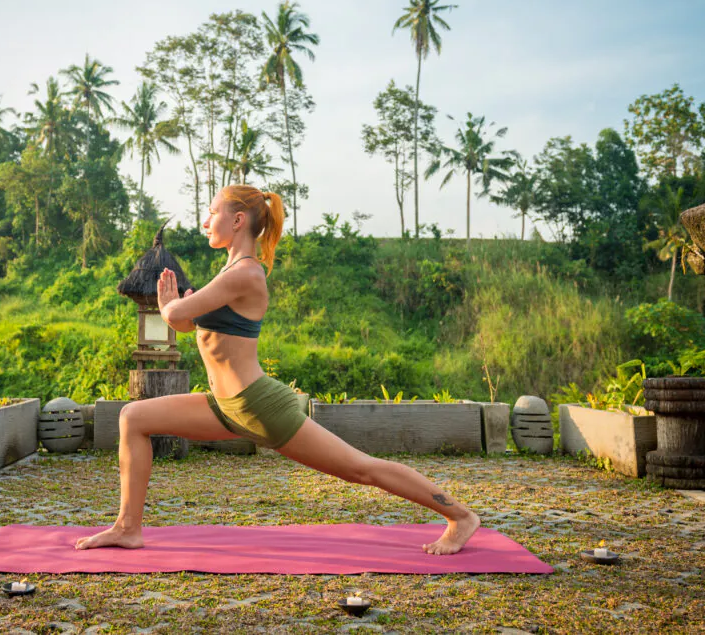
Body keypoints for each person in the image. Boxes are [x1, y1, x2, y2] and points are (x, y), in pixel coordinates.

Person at [75, 185, 480, 555]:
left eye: (212, 211)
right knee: (134, 417)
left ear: (236, 221)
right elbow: (184, 323)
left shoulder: (246, 274)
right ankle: (128, 526)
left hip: (260, 407)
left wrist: (171, 305)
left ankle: (460, 516)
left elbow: (177, 313)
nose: (205, 220)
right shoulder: (228, 275)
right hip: (225, 406)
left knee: (362, 469)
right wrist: (174, 308)